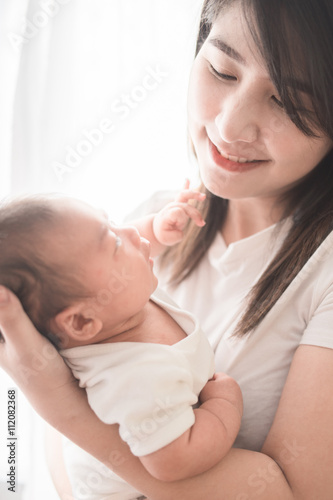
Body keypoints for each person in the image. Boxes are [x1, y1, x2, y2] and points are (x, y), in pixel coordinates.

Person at [1, 0, 333, 498]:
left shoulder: (322, 271)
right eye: (222, 69)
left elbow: (294, 493)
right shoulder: (152, 223)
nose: (228, 127)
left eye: (288, 101)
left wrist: (61, 405)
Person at [0, 192, 242, 498]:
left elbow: (120, 252)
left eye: (111, 223)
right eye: (114, 243)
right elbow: (174, 462)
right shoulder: (135, 377)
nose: (129, 232)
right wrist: (223, 406)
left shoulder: (113, 304)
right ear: (81, 323)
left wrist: (156, 229)